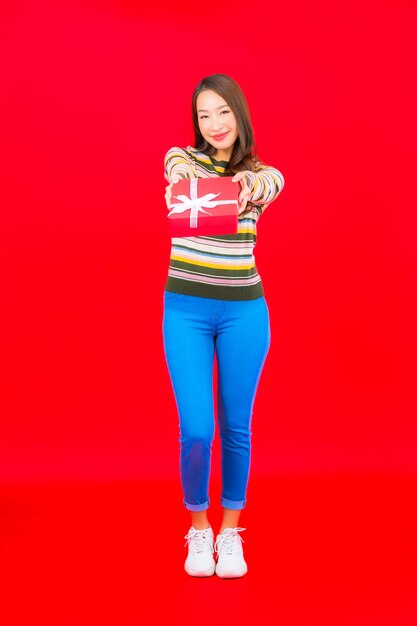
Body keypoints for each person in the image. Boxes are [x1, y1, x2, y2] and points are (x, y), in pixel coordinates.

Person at [162, 74, 285, 578]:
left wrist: (239, 186)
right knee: (196, 429)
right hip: (186, 312)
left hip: (244, 313)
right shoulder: (180, 159)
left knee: (236, 427)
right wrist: (219, 195)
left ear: (240, 113)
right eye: (203, 115)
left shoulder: (266, 174)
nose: (213, 124)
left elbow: (262, 186)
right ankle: (199, 527)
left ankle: (231, 531)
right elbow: (178, 181)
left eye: (222, 112)